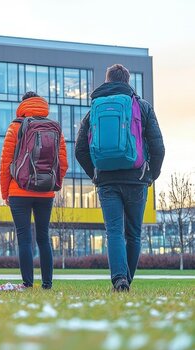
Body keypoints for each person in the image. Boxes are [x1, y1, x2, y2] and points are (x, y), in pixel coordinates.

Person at [75, 64, 164, 292]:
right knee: (133, 233)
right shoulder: (142, 106)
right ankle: (127, 280)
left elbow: (79, 150)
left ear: (107, 80)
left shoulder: (94, 109)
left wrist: (94, 173)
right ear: (127, 81)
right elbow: (158, 146)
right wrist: (151, 174)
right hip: (136, 178)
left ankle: (119, 279)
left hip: (107, 180)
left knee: (113, 231)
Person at [0, 91, 68, 289]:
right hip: (46, 192)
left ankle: (27, 283)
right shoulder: (55, 128)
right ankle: (47, 283)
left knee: (24, 238)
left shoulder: (15, 127)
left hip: (19, 190)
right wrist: (55, 184)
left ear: (23, 105)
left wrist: (5, 193)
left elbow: (6, 164)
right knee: (43, 237)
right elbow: (63, 163)